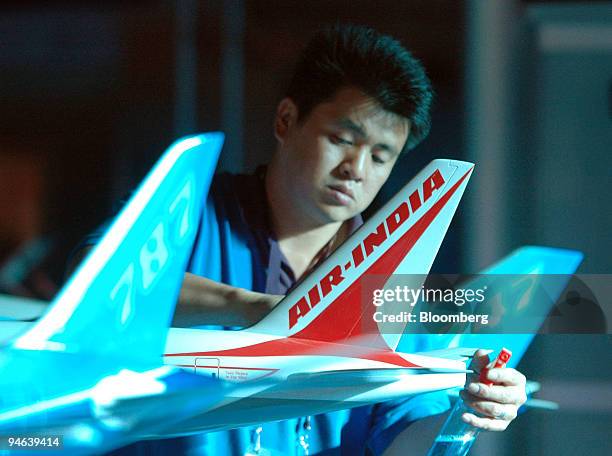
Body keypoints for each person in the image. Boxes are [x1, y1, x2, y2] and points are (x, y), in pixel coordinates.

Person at [78, 23, 526, 455]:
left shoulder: (389, 276)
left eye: (380, 156)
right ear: (286, 120)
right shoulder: (188, 215)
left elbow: (403, 436)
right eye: (341, 139)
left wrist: (467, 413)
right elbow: (94, 287)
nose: (356, 168)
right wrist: (259, 309)